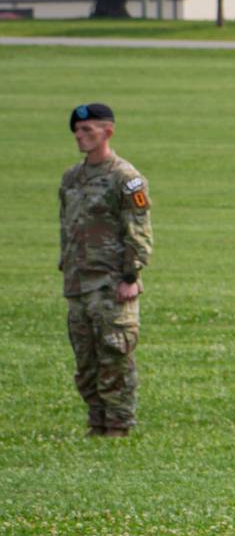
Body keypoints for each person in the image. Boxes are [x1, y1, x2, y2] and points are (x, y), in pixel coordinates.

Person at [59, 102, 151, 438]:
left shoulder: (126, 179)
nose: (80, 136)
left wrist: (131, 275)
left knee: (114, 355)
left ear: (108, 132)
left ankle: (118, 426)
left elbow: (138, 228)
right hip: (78, 283)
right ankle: (96, 423)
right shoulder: (72, 178)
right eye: (77, 131)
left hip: (112, 283)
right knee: (85, 362)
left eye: (88, 130)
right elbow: (66, 227)